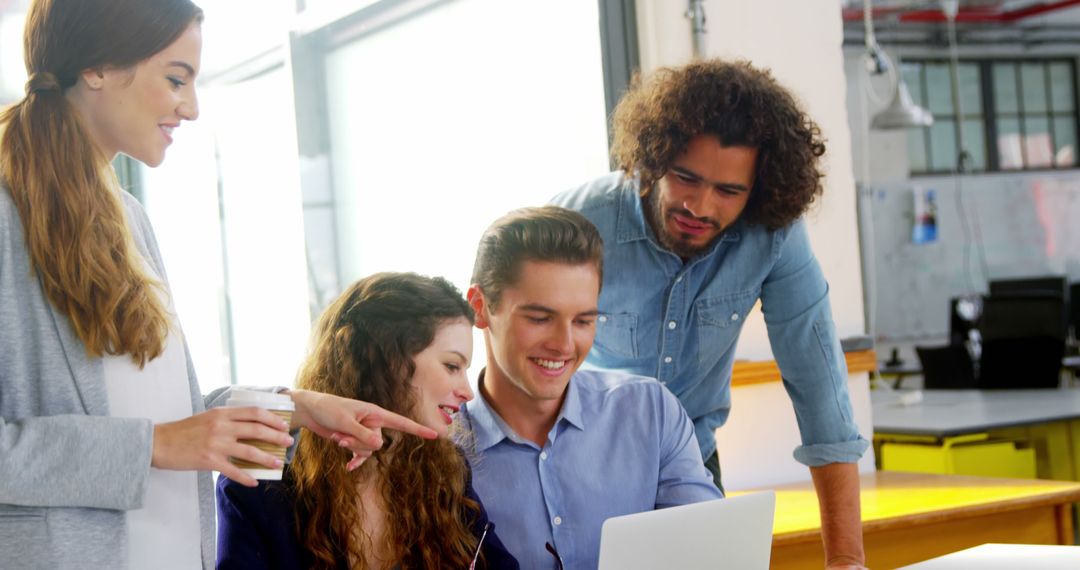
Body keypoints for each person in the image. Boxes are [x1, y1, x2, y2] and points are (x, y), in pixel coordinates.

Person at [0, 1, 434, 568]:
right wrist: (155, 446)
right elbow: (155, 440)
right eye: (176, 79)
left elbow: (161, 419)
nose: (192, 107)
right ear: (98, 68)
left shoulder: (128, 218)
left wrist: (294, 409)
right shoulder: (8, 217)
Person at [550, 58, 870, 568]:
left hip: (693, 467)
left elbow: (821, 390)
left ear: (756, 191)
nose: (700, 206)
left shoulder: (774, 235)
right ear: (654, 158)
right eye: (686, 178)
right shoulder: (579, 223)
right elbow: (514, 356)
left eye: (728, 191)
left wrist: (846, 559)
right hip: (578, 473)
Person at [460, 206, 722, 569]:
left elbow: (709, 555)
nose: (565, 345)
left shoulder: (651, 411)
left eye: (583, 320)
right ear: (480, 307)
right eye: (540, 318)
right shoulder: (438, 449)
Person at [216, 272, 519, 570]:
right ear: (389, 361)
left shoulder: (446, 471)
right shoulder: (259, 480)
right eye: (452, 366)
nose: (467, 392)